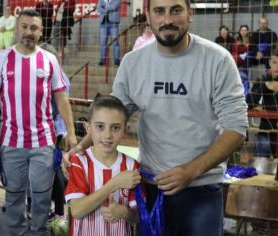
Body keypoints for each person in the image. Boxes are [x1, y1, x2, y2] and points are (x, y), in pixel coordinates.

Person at [65, 0, 248, 234]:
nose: (167, 19)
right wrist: (80, 148)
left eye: (176, 10)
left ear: (190, 14)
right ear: (148, 17)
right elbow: (111, 117)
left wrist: (191, 171)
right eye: (159, 11)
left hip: (201, 189)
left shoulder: (218, 60)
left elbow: (237, 127)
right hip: (150, 188)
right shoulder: (133, 63)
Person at [0, 9, 77, 235]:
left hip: (43, 142)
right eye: (24, 27)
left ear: (41, 31)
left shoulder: (50, 59)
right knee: (13, 197)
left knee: (42, 198)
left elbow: (62, 98)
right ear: (16, 29)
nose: (28, 32)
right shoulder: (0, 60)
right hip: (11, 143)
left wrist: (71, 132)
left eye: (34, 28)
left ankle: (39, 232)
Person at [65, 95, 141, 235]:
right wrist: (114, 184)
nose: (107, 135)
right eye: (100, 126)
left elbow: (138, 217)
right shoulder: (79, 162)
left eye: (115, 128)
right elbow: (77, 210)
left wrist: (124, 211)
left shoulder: (131, 166)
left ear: (125, 130)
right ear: (88, 128)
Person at [246, 46, 278, 158]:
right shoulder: (263, 78)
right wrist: (264, 86)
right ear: (269, 62)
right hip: (266, 129)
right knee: (262, 149)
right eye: (274, 62)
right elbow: (249, 102)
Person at [249, 17, 278, 84]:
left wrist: (262, 52)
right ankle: (246, 76)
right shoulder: (254, 34)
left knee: (268, 56)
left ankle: (268, 77)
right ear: (259, 24)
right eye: (261, 23)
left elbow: (273, 45)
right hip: (257, 55)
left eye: (264, 23)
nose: (263, 25)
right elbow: (252, 45)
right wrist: (257, 52)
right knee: (248, 56)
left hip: (267, 54)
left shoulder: (272, 33)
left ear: (267, 24)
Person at [97, 0, 122, 65]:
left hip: (113, 23)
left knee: (115, 43)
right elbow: (98, 9)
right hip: (103, 23)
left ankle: (117, 60)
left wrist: (104, 7)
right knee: (103, 43)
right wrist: (107, 8)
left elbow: (113, 7)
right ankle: (102, 61)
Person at [231, 24, 251, 95]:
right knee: (234, 57)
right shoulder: (237, 40)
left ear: (247, 31)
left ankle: (245, 79)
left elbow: (249, 49)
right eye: (242, 30)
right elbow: (234, 49)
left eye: (245, 30)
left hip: (247, 58)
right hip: (238, 57)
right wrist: (244, 48)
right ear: (239, 31)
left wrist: (241, 48)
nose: (243, 32)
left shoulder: (250, 40)